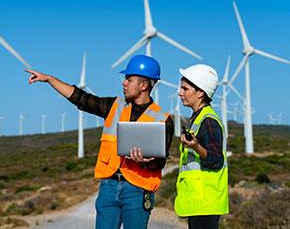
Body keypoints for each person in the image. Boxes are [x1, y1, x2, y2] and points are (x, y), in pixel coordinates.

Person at [25, 54, 174, 229]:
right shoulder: (114, 106)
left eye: (129, 79)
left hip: (138, 190)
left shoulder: (163, 119)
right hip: (109, 187)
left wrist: (147, 162)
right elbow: (81, 99)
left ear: (143, 85)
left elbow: (160, 161)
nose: (123, 82)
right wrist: (50, 79)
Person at [174, 64, 229, 229]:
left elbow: (216, 159)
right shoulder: (198, 118)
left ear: (200, 92)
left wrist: (196, 146)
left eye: (185, 88)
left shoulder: (209, 121)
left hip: (206, 202)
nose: (180, 92)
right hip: (199, 201)